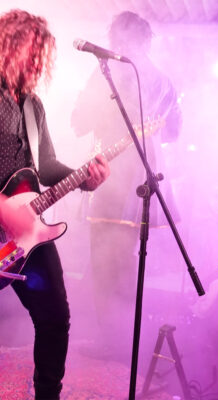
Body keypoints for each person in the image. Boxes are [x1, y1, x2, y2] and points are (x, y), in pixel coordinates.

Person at [0, 9, 110, 399]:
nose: (34, 62)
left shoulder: (34, 106)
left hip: (29, 233)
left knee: (55, 318)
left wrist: (84, 178)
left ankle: (48, 394)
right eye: (29, 51)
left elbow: (44, 166)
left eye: (39, 55)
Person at [71, 11, 181, 354]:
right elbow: (175, 132)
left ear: (116, 38)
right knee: (129, 262)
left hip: (109, 180)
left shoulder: (107, 70)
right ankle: (125, 341)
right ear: (146, 39)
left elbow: (78, 121)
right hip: (142, 185)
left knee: (104, 263)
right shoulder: (164, 80)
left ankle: (110, 342)